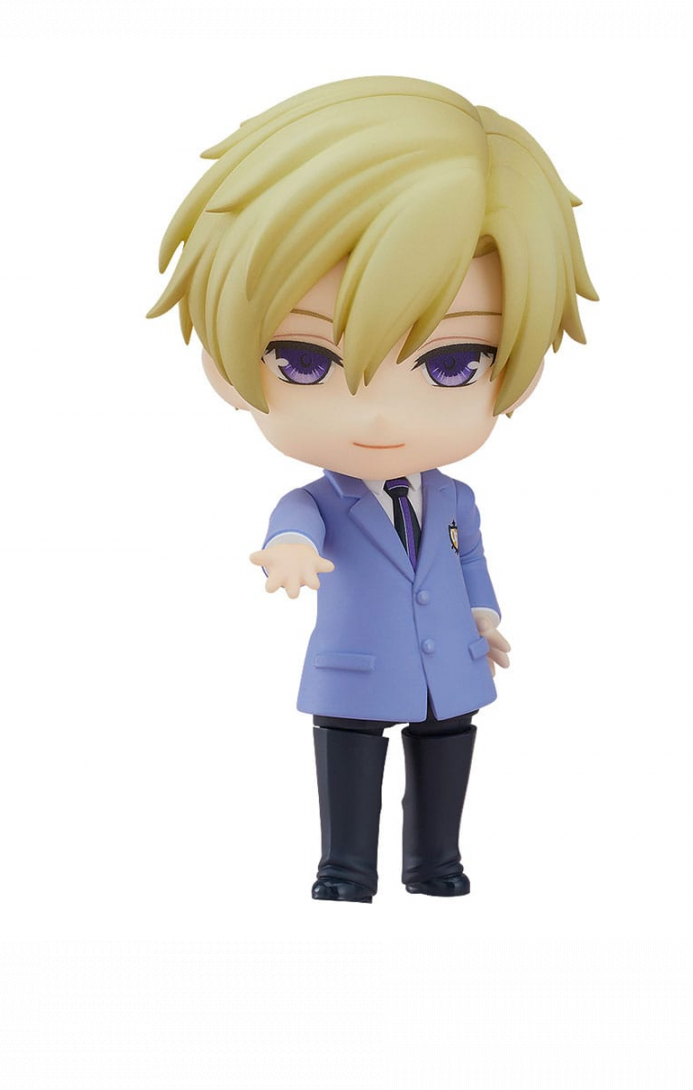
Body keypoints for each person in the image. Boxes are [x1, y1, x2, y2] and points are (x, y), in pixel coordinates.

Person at [148, 75, 597, 902]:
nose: (379, 416)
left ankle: (436, 864)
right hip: (355, 672)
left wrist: (484, 616)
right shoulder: (320, 500)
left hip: (449, 667)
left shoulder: (457, 499)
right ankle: (345, 870)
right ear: (227, 368)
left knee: (447, 753)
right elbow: (296, 525)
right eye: (305, 361)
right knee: (349, 764)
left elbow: (470, 561)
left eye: (453, 363)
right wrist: (289, 551)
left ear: (519, 374)